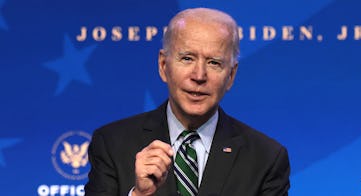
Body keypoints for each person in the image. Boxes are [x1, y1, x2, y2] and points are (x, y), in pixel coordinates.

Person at [85, 8, 290, 196]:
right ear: (164, 66)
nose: (199, 75)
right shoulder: (112, 144)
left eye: (214, 63)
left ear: (231, 75)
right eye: (187, 59)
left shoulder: (266, 158)